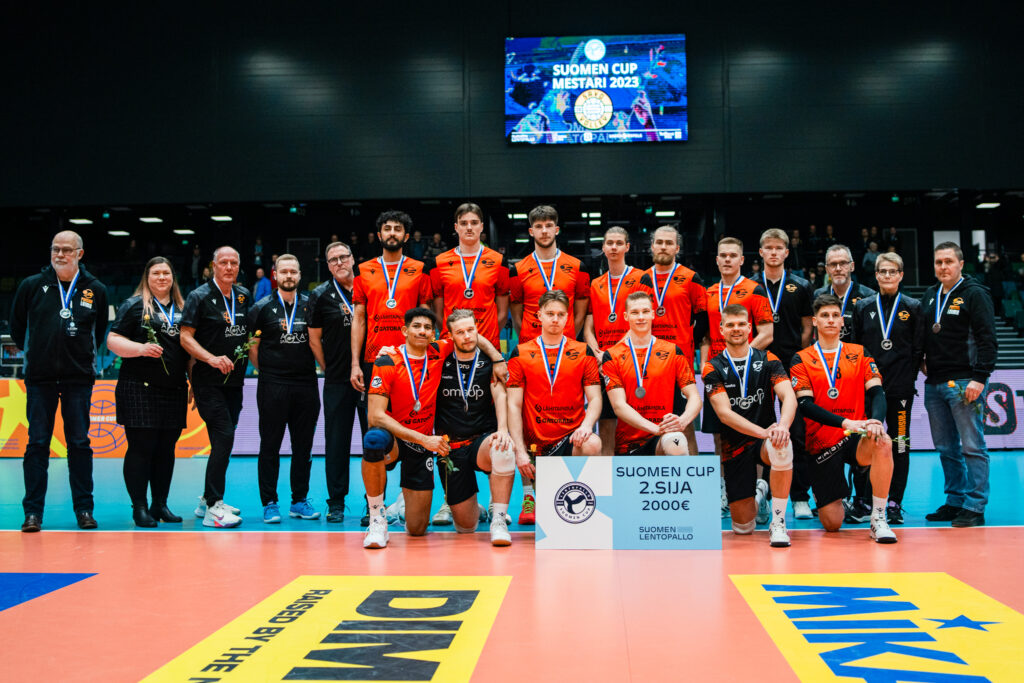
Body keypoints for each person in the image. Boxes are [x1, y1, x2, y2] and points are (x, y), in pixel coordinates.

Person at [360, 308, 505, 549]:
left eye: (427, 328)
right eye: (416, 326)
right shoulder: (387, 360)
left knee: (417, 529)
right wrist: (422, 439)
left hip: (422, 447)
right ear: (405, 330)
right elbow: (375, 416)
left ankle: (401, 506)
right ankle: (377, 519)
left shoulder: (438, 351)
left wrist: (498, 359)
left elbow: (470, 335)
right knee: (373, 440)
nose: (422, 331)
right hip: (396, 438)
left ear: (434, 334)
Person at [11, 231, 109, 532]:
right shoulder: (31, 286)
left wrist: (80, 359)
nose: (60, 254)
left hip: (78, 379)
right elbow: (17, 328)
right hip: (39, 379)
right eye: (56, 249)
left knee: (79, 444)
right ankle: (32, 513)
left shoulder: (96, 289)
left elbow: (100, 332)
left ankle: (84, 509)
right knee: (37, 444)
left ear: (80, 253)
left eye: (67, 250)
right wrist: (38, 355)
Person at [789, 294, 897, 543]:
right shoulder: (801, 358)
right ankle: (836, 497)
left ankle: (878, 518)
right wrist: (844, 422)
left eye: (835, 315)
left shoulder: (859, 353)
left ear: (842, 322)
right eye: (825, 315)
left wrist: (876, 421)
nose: (830, 320)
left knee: (883, 441)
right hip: (822, 442)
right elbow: (805, 405)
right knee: (832, 523)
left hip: (856, 435)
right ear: (815, 321)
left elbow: (877, 392)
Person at [702, 304, 798, 547]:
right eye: (730, 325)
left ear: (749, 328)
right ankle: (760, 492)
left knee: (781, 445)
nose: (736, 329)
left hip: (765, 442)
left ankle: (778, 523)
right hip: (735, 446)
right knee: (743, 528)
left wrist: (782, 426)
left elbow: (789, 396)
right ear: (721, 330)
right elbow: (724, 414)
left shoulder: (769, 359)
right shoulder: (712, 367)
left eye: (740, 324)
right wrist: (762, 431)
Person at [107, 257, 188, 528]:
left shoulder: (183, 308)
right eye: (156, 273)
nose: (162, 277)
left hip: (174, 388)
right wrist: (140, 349)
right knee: (141, 448)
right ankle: (139, 507)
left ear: (173, 278)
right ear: (147, 277)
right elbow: (112, 340)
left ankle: (160, 504)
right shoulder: (134, 305)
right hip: (138, 388)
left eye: (167, 273)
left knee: (166, 449)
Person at [922, 242, 997, 528]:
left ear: (961, 264)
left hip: (966, 382)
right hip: (934, 383)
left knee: (973, 446)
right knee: (946, 447)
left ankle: (975, 506)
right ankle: (955, 501)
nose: (943, 267)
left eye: (948, 261)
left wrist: (980, 377)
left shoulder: (975, 294)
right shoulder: (930, 295)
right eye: (938, 262)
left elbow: (987, 339)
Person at [179, 245, 251, 528]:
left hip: (235, 382)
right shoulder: (198, 297)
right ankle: (213, 508)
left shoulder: (243, 295)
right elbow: (185, 337)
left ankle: (207, 499)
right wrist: (209, 359)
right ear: (213, 266)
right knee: (224, 436)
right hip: (208, 382)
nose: (229, 267)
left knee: (222, 439)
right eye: (224, 262)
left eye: (234, 262)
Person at [246, 255, 321, 524]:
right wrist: (269, 371)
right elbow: (252, 346)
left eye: (293, 271)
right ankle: (270, 502)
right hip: (272, 385)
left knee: (304, 446)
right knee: (270, 445)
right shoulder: (260, 308)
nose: (289, 276)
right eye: (284, 271)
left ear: (300, 275)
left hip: (306, 385)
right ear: (275, 275)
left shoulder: (311, 304)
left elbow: (318, 340)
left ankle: (299, 500)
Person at [508, 290, 602, 502]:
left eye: (560, 314)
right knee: (547, 506)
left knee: (592, 443)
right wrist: (520, 450)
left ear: (568, 317)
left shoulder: (583, 351)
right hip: (536, 442)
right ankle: (529, 497)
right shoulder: (520, 353)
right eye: (550, 313)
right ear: (539, 315)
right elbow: (513, 405)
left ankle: (586, 496)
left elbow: (595, 399)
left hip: (571, 437)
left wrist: (587, 426)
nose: (555, 319)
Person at [434, 310, 517, 545]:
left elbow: (500, 395)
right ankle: (476, 509)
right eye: (460, 332)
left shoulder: (489, 362)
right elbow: (413, 347)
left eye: (471, 330)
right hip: (451, 447)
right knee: (465, 527)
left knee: (502, 447)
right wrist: (389, 350)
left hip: (482, 440)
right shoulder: (439, 360)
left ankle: (498, 519)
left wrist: (503, 429)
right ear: (450, 336)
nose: (467, 336)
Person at [852, 252, 924, 525]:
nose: (887, 276)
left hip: (901, 390)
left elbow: (918, 349)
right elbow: (856, 349)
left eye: (893, 271)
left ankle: (894, 502)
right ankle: (863, 500)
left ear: (901, 275)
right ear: (876, 275)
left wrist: (907, 379)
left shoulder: (913, 306)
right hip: (869, 390)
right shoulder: (863, 307)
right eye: (883, 271)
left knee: (900, 443)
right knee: (866, 442)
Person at [754, 229, 815, 520]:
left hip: (792, 365)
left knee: (797, 431)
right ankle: (762, 494)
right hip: (759, 365)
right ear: (761, 252)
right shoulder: (750, 286)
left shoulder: (801, 285)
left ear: (787, 252)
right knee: (763, 429)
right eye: (769, 247)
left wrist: (798, 358)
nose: (774, 252)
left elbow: (807, 327)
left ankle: (800, 497)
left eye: (779, 248)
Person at [583, 227, 655, 454]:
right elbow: (588, 326)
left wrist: (610, 354)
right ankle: (606, 474)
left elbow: (641, 321)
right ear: (603, 248)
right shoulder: (596, 284)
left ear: (627, 247)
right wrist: (597, 353)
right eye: (609, 243)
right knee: (605, 424)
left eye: (619, 243)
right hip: (601, 363)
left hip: (631, 360)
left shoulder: (641, 277)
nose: (614, 247)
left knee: (633, 422)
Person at [602, 291, 702, 455]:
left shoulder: (672, 351)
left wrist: (682, 422)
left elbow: (695, 397)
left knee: (676, 440)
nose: (641, 317)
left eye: (645, 311)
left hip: (663, 438)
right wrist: (655, 428)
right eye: (635, 312)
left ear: (653, 314)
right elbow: (618, 406)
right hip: (628, 443)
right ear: (626, 316)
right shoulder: (612, 356)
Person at [308, 241, 365, 523]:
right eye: (333, 260)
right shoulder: (319, 295)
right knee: (336, 442)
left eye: (343, 257)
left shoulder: (369, 286)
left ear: (353, 259)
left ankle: (374, 502)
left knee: (374, 442)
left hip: (369, 378)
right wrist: (329, 368)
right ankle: (337, 502)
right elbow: (314, 339)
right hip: (337, 381)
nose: (339, 262)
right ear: (328, 266)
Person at [351, 210, 434, 402]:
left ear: (406, 236)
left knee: (409, 414)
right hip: (374, 358)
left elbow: (426, 317)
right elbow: (359, 319)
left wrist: (426, 354)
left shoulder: (420, 269)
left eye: (398, 229)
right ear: (379, 235)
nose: (392, 233)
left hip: (410, 356)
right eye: (387, 229)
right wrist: (355, 364)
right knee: (374, 418)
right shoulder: (363, 270)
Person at [643, 225, 707, 455]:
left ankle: (693, 475)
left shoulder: (691, 278)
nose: (663, 246)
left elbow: (703, 319)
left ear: (677, 248)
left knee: (684, 426)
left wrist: (686, 344)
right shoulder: (642, 278)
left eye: (669, 243)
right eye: (659, 242)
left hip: (680, 364)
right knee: (648, 424)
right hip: (647, 363)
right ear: (652, 246)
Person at [429, 203, 510, 350]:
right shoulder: (439, 263)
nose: (469, 227)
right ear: (456, 227)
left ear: (482, 226)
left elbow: (503, 313)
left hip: (488, 345)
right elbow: (438, 314)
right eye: (463, 223)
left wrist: (484, 340)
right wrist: (454, 335)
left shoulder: (499, 261)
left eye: (474, 223)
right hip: (452, 345)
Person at [509, 205, 590, 346]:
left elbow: (580, 314)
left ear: (556, 230)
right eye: (538, 226)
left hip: (565, 346)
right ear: (531, 231)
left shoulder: (578, 267)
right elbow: (517, 317)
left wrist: (567, 337)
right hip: (530, 346)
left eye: (549, 225)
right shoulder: (517, 270)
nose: (544, 231)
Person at [814, 244, 874, 343]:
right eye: (833, 264)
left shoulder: (868, 296)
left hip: (857, 352)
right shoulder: (818, 295)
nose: (838, 268)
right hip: (826, 351)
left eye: (843, 263)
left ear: (852, 266)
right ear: (827, 269)